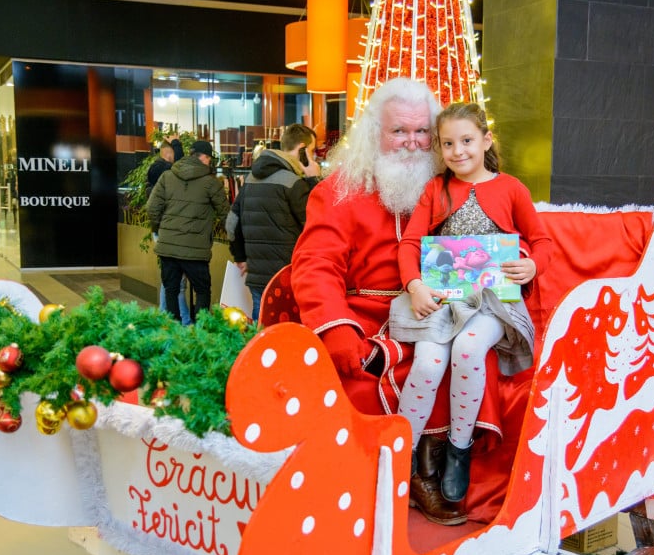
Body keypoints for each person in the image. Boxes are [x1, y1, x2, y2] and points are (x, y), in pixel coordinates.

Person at [291, 77, 478, 525]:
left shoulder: (450, 188)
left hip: (437, 309)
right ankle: (402, 471)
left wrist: (514, 263)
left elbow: (483, 242)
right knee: (398, 367)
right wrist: (336, 327)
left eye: (420, 132)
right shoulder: (338, 191)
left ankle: (437, 465)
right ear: (374, 133)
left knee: (471, 357)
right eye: (399, 131)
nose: (411, 143)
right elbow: (316, 265)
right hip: (366, 318)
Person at [389, 102, 553, 506]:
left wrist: (532, 266)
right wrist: (414, 286)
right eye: (448, 143)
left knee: (467, 349)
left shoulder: (511, 188)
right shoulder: (435, 189)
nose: (458, 151)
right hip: (442, 299)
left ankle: (458, 451)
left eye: (466, 141)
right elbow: (409, 243)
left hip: (493, 303)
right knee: (427, 362)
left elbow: (544, 242)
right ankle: (398, 456)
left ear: (486, 140)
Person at [227, 123, 321, 320]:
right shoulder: (294, 183)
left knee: (260, 326)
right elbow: (315, 223)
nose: (314, 158)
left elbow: (232, 222)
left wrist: (240, 256)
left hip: (256, 275)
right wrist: (314, 180)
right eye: (312, 151)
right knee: (287, 332)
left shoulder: (251, 179)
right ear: (302, 149)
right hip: (286, 276)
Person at [147, 140, 229, 322]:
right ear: (205, 157)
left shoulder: (167, 177)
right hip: (196, 251)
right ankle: (199, 334)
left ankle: (175, 336)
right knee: (202, 291)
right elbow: (226, 214)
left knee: (171, 290)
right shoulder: (211, 183)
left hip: (168, 249)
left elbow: (152, 208)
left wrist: (164, 229)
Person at [147, 137, 191, 325]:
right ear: (168, 155)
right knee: (175, 282)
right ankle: (181, 321)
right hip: (169, 233)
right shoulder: (161, 171)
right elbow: (180, 168)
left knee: (170, 280)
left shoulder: (156, 173)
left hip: (163, 232)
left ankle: (165, 317)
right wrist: (177, 146)